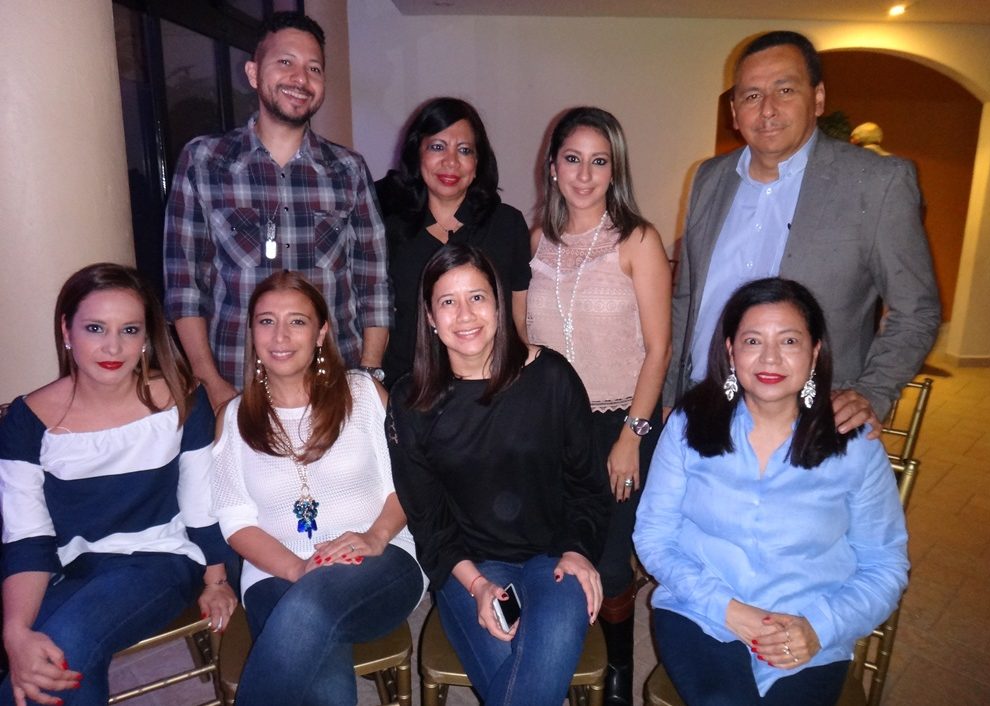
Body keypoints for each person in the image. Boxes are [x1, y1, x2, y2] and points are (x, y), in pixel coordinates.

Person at [635, 277, 909, 705]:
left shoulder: (854, 442)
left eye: (789, 341)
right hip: (702, 613)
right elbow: (653, 536)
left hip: (806, 627)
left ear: (815, 352)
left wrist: (819, 627)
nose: (770, 357)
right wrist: (729, 610)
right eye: (752, 341)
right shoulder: (690, 424)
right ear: (730, 350)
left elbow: (885, 565)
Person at [664, 30, 940, 430]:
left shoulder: (877, 183)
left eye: (785, 90)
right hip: (702, 403)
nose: (767, 110)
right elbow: (687, 298)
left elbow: (916, 310)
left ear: (819, 98)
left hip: (810, 418)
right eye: (752, 95)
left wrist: (873, 391)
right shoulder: (709, 178)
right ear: (735, 111)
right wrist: (669, 395)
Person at [0, 263, 235, 706]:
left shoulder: (182, 399)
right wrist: (14, 632)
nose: (113, 346)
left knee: (63, 648)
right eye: (95, 328)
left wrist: (216, 580)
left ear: (146, 337)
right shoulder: (26, 421)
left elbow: (200, 502)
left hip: (161, 560)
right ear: (66, 331)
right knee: (39, 659)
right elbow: (27, 537)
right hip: (70, 568)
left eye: (129, 330)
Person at [387, 244, 611, 706]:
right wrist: (477, 584)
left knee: (535, 671)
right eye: (448, 302)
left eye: (477, 297)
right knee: (529, 683)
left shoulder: (551, 377)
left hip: (555, 559)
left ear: (499, 303)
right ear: (429, 316)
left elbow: (588, 487)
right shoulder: (411, 401)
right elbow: (428, 521)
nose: (465, 314)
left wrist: (578, 550)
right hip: (470, 566)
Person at [212, 271, 424, 706]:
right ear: (252, 331)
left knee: (306, 610)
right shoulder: (233, 417)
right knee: (318, 660)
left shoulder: (363, 394)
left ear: (321, 332)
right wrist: (297, 570)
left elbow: (408, 485)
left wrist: (374, 536)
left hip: (379, 560)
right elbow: (236, 521)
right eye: (266, 321)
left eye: (297, 321)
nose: (280, 336)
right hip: (275, 574)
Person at [164, 11, 391, 412]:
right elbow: (185, 287)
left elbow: (373, 284)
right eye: (285, 62)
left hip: (334, 384)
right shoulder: (204, 162)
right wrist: (211, 384)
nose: (300, 78)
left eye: (314, 68)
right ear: (253, 73)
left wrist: (368, 375)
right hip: (236, 386)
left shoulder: (348, 170)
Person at [527, 106, 671, 704]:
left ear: (616, 169)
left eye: (599, 161)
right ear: (552, 166)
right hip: (548, 427)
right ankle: (561, 653)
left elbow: (659, 348)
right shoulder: (535, 241)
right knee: (555, 550)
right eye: (572, 159)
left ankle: (616, 672)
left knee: (610, 563)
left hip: (619, 423)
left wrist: (632, 437)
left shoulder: (637, 239)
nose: (584, 175)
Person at [377, 97, 531, 386]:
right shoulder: (386, 227)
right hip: (408, 387)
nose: (451, 162)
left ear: (478, 161)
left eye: (464, 150)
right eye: (437, 147)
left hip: (492, 385)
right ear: (417, 153)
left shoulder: (507, 225)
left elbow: (520, 320)